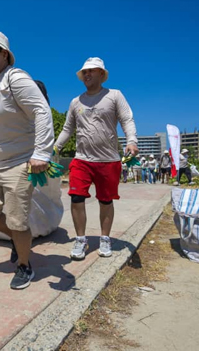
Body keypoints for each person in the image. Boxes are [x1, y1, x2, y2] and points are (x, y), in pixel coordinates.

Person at [0, 30, 54, 289]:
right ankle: (21, 243)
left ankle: (24, 265)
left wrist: (41, 153)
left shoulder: (14, 78)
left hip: (19, 163)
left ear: (4, 55)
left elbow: (42, 111)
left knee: (17, 220)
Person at [54, 57, 138, 260]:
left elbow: (127, 119)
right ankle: (81, 239)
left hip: (108, 160)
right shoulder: (76, 102)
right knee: (76, 196)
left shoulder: (114, 95)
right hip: (82, 159)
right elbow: (68, 129)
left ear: (102, 74)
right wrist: (54, 148)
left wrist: (132, 141)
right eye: (85, 72)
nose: (87, 74)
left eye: (92, 71)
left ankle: (105, 238)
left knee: (105, 201)